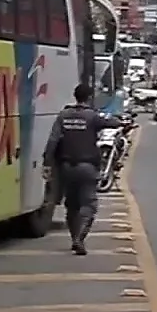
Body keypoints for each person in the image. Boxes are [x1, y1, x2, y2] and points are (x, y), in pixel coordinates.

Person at [42, 83, 119, 255]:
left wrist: (47, 163)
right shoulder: (92, 116)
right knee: (89, 205)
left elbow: (53, 141)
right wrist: (119, 120)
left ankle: (74, 237)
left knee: (72, 205)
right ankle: (80, 239)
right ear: (90, 97)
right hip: (87, 167)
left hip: (66, 168)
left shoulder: (64, 115)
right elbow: (112, 122)